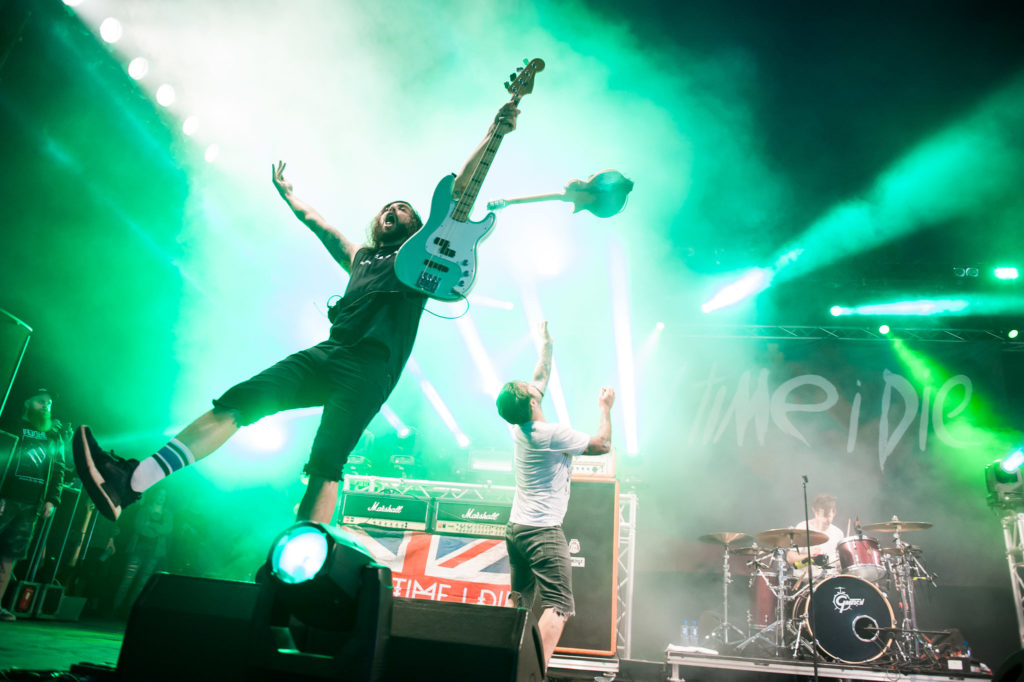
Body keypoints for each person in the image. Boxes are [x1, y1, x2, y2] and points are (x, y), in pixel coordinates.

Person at [73, 102, 520, 525]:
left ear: (417, 226)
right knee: (240, 400)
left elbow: (460, 192)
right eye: (388, 207)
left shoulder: (419, 261)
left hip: (371, 368)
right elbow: (320, 227)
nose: (393, 210)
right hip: (330, 352)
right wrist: (290, 197)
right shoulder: (361, 256)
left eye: (403, 209)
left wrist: (492, 132)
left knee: (327, 462)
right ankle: (129, 484)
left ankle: (303, 568)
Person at [495, 321, 615, 668]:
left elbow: (540, 373)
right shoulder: (549, 433)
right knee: (559, 605)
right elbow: (602, 445)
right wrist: (605, 407)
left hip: (516, 528)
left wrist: (546, 344)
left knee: (521, 599)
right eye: (528, 387)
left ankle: (505, 663)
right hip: (542, 531)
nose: (533, 384)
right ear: (531, 401)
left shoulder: (520, 426)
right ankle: (533, 672)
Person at [0, 388, 70, 621]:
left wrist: (52, 499)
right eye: (41, 401)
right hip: (6, 498)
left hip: (31, 505)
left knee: (10, 555)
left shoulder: (53, 435)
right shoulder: (11, 424)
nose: (46, 406)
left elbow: (59, 467)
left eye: (49, 403)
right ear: (28, 401)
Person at [785, 493, 843, 576]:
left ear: (834, 512)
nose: (827, 520)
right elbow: (790, 557)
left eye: (829, 516)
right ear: (815, 511)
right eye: (824, 516)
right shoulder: (803, 528)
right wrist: (810, 556)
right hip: (806, 582)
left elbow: (838, 562)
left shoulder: (838, 533)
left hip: (830, 580)